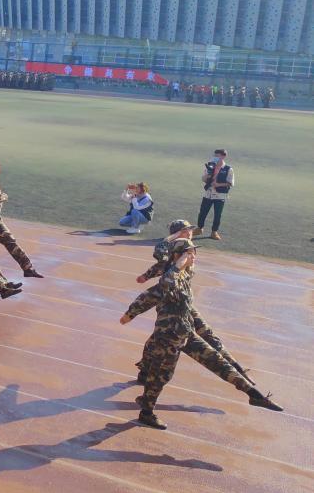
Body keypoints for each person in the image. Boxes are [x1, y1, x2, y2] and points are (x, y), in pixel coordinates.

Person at [120, 239, 282, 429]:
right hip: (168, 339)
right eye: (189, 253)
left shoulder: (184, 276)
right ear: (178, 256)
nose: (193, 257)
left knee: (216, 361)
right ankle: (146, 412)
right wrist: (130, 314)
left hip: (186, 333)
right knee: (161, 377)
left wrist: (184, 260)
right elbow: (154, 292)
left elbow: (176, 301)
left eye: (194, 253)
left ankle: (254, 395)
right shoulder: (170, 279)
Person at [196, 149, 233, 241]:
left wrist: (218, 185)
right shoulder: (210, 166)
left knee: (217, 215)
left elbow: (230, 183)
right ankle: (199, 228)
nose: (215, 158)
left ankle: (214, 232)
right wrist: (208, 175)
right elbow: (203, 179)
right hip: (208, 194)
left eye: (217, 156)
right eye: (214, 156)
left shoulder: (228, 169)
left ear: (223, 156)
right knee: (203, 212)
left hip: (220, 195)